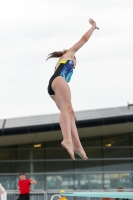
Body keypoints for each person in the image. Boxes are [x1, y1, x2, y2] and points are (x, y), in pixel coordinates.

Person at [47, 18, 99, 160]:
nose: (75, 65)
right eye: (75, 62)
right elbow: (84, 39)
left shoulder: (62, 65)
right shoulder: (69, 54)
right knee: (66, 110)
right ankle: (67, 139)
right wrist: (93, 27)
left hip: (53, 87)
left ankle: (77, 144)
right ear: (73, 57)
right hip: (58, 80)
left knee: (70, 113)